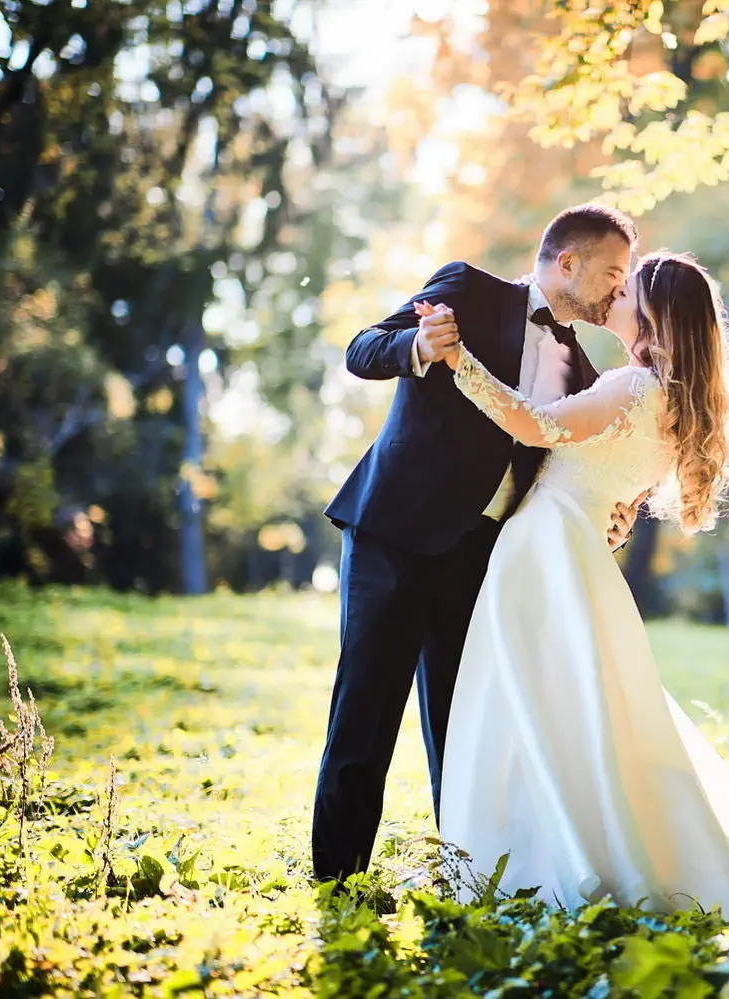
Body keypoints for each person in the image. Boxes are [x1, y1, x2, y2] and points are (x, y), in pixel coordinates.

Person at [432, 251, 729, 943]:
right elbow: (616, 484)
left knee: (532, 700)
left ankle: (548, 855)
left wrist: (459, 365)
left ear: (652, 313)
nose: (613, 295)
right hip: (574, 552)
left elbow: (533, 425)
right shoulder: (670, 400)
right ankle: (558, 842)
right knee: (569, 706)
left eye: (625, 288)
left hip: (546, 548)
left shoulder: (633, 386)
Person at [312, 204, 645, 883]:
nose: (619, 287)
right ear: (567, 262)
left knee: (466, 733)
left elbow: (574, 470)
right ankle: (337, 879)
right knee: (364, 713)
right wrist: (418, 347)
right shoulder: (465, 286)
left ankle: (463, 881)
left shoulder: (585, 372)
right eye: (612, 271)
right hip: (395, 535)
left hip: (483, 560)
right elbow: (361, 349)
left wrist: (617, 512)